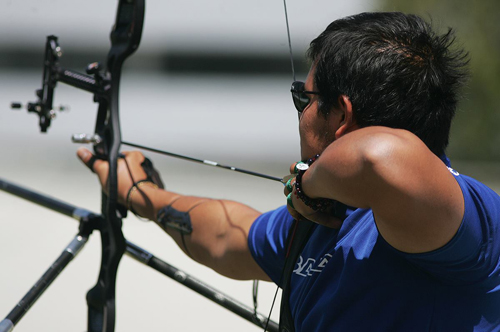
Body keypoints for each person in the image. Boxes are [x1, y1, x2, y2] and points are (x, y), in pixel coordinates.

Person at [77, 12, 500, 331]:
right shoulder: (326, 219)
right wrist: (141, 193)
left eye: (306, 98)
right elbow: (228, 235)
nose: (300, 113)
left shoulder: (461, 216)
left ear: (342, 115)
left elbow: (378, 156)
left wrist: (305, 185)